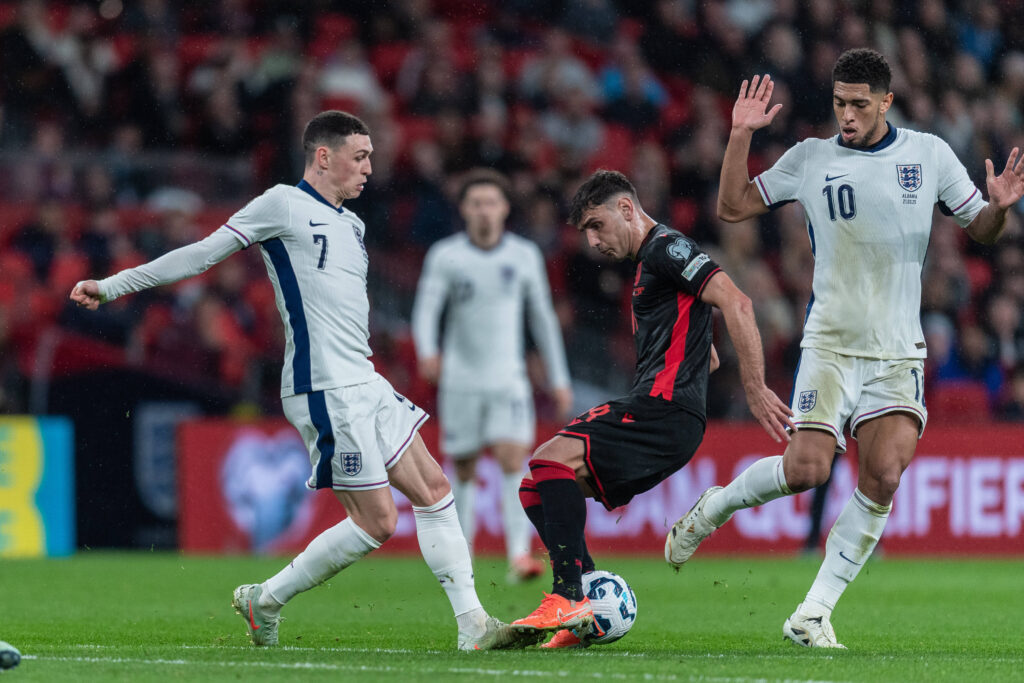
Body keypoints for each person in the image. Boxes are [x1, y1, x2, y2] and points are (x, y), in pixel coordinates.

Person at [69, 110, 537, 652]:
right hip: (323, 387)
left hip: (365, 380)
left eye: (370, 157)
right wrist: (111, 285)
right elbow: (201, 255)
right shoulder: (281, 204)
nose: (369, 168)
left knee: (435, 492)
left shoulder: (353, 225)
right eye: (359, 156)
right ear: (323, 156)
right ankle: (265, 598)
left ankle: (473, 625)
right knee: (378, 522)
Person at [666, 48, 1024, 648]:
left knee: (884, 473)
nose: (847, 115)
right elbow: (731, 208)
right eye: (839, 103)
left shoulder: (928, 154)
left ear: (887, 101)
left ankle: (813, 611)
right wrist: (738, 137)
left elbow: (980, 230)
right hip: (830, 341)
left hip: (897, 350)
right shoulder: (811, 158)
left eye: (860, 104)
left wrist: (999, 210)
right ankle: (717, 505)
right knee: (807, 471)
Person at [510, 170, 794, 648]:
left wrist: (754, 387)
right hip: (666, 412)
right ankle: (584, 609)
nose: (593, 240)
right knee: (533, 486)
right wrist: (699, 351)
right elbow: (707, 344)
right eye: (585, 233)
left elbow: (738, 303)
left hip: (663, 410)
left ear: (626, 209)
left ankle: (566, 596)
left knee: (549, 459)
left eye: (597, 226)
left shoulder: (666, 248)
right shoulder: (648, 266)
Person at [411, 168, 573, 583]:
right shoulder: (447, 256)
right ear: (464, 209)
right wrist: (428, 352)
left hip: (508, 377)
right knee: (462, 466)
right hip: (460, 378)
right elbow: (427, 309)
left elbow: (542, 319)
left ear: (504, 208)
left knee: (511, 458)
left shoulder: (523, 256)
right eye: (476, 203)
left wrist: (559, 377)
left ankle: (518, 556)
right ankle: (462, 552)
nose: (484, 210)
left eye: (491, 202)